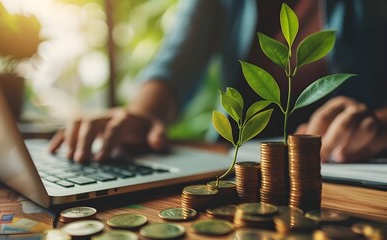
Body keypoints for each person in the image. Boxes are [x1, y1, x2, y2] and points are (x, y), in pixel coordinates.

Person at [49, 0, 387, 163]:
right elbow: (173, 64)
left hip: (354, 177)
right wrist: (141, 115)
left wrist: (380, 123)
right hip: (235, 171)